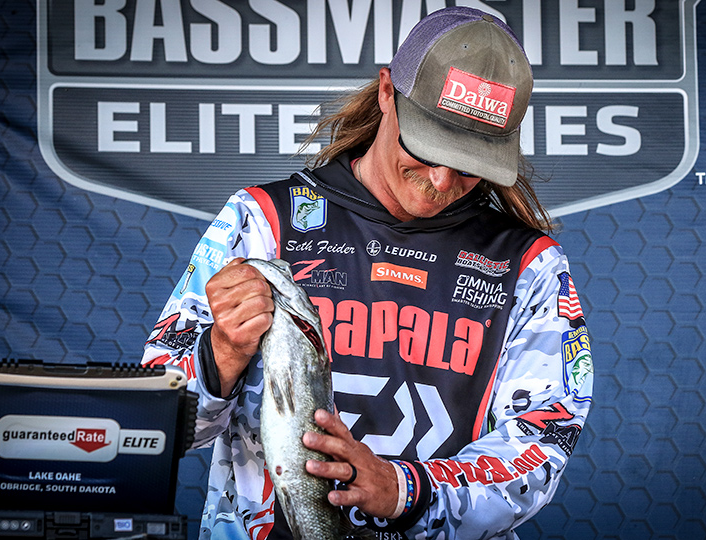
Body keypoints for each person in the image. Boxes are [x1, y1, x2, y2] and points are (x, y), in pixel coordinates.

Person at [143, 7, 593, 539]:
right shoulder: (262, 222)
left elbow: (541, 445)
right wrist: (221, 351)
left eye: (469, 162)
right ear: (386, 92)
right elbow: (158, 431)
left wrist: (405, 490)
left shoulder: (529, 265)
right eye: (428, 146)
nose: (441, 180)